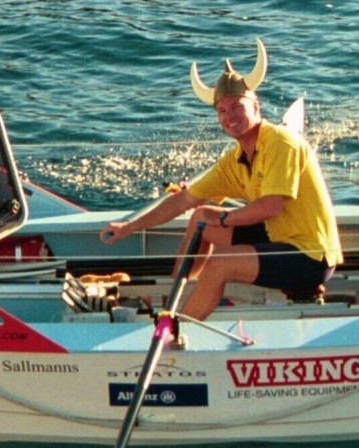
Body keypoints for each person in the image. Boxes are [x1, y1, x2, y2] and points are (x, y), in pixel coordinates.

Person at [100, 39, 342, 321]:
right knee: (201, 218)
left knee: (220, 263)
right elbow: (184, 200)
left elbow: (270, 206)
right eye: (222, 111)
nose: (230, 117)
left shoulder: (280, 142)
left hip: (310, 256)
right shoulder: (236, 157)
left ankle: (176, 330)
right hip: (279, 235)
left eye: (237, 107)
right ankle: (174, 297)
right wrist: (130, 226)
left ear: (256, 107)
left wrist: (225, 218)